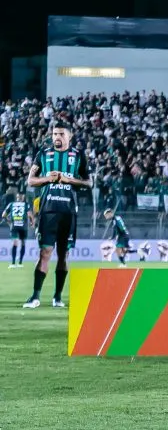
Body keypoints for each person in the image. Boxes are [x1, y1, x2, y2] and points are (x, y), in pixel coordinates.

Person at [23, 120, 92, 308]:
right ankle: (35, 297)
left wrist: (70, 180)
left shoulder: (78, 156)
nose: (57, 137)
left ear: (69, 136)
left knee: (63, 255)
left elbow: (89, 183)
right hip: (48, 211)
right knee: (45, 252)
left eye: (61, 134)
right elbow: (30, 181)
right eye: (54, 134)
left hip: (68, 212)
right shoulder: (43, 154)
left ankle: (58, 297)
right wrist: (47, 178)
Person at [3, 192, 32, 268]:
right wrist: (32, 222)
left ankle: (13, 263)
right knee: (23, 243)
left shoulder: (11, 204)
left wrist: (8, 222)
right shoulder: (26, 205)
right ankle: (20, 263)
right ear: (23, 198)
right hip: (23, 227)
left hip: (14, 226)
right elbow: (29, 215)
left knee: (15, 243)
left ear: (17, 197)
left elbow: (3, 215)